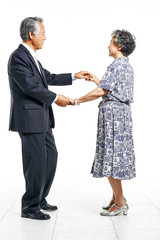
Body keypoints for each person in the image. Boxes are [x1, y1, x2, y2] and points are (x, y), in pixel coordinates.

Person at [8, 17, 91, 220]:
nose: (45, 37)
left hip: (42, 118)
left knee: (50, 157)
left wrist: (74, 76)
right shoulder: (18, 57)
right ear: (31, 34)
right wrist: (56, 98)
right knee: (35, 162)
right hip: (30, 119)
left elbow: (48, 77)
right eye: (43, 33)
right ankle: (29, 207)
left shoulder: (32, 57)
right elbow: (30, 87)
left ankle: (39, 197)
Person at [74, 29, 136, 216]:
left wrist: (76, 100)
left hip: (114, 118)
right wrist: (97, 81)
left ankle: (120, 202)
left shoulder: (117, 65)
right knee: (114, 157)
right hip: (119, 115)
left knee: (111, 158)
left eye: (110, 42)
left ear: (119, 45)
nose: (108, 45)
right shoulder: (124, 65)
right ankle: (117, 198)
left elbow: (102, 92)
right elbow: (109, 89)